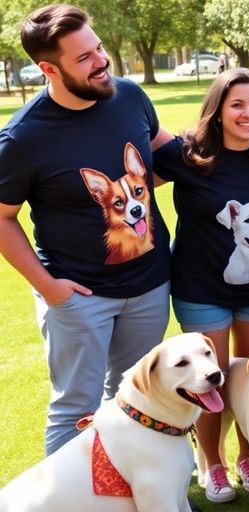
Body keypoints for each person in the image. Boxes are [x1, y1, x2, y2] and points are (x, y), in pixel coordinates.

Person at [0, 4, 172, 456]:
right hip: (79, 297)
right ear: (48, 69)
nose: (101, 61)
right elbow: (1, 216)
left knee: (135, 399)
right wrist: (50, 288)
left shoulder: (130, 96)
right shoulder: (22, 138)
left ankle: (137, 497)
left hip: (150, 286)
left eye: (98, 48)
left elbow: (161, 150)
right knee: (74, 409)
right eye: (84, 58)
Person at [151, 68, 249, 502]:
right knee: (209, 381)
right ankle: (214, 465)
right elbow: (132, 174)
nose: (248, 113)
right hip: (200, 289)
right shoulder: (186, 155)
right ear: (218, 110)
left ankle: (248, 457)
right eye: (237, 104)